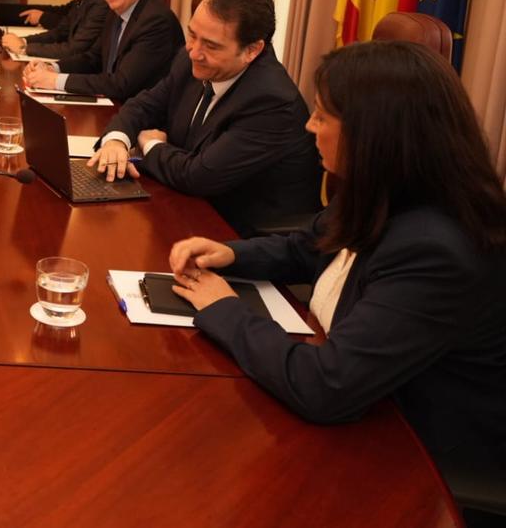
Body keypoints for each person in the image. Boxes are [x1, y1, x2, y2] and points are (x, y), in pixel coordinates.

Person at [167, 41, 506, 527]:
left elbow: (325, 385)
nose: (309, 127)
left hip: (415, 453)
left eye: (323, 117)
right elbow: (311, 245)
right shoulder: (389, 188)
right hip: (366, 406)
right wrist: (231, 252)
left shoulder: (438, 248)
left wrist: (225, 308)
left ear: (375, 135)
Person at [89, 0, 320, 236]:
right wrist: (116, 142)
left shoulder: (272, 102)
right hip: (186, 209)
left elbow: (199, 176)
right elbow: (145, 104)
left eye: (211, 45)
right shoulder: (192, 60)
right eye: (192, 35)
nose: (193, 52)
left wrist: (151, 144)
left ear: (252, 50)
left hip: (241, 236)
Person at [23, 0, 182, 101]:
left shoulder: (156, 21)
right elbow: (93, 59)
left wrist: (54, 81)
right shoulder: (117, 10)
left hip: (143, 118)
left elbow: (121, 84)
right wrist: (54, 68)